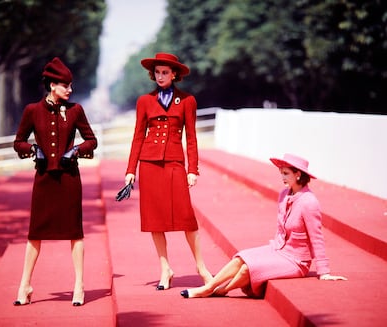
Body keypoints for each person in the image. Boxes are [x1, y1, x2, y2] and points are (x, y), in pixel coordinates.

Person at [180, 153, 347, 298]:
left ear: (298, 174)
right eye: (281, 173)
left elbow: (317, 237)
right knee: (241, 257)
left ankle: (219, 290)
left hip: (297, 262)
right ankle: (209, 287)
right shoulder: (284, 194)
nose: (282, 177)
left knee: (248, 268)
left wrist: (324, 271)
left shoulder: (309, 202)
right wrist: (273, 251)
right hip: (278, 249)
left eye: (286, 173)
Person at [13, 57, 97, 306]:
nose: (70, 90)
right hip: (44, 179)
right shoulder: (32, 111)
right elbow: (18, 141)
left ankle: (79, 284)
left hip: (69, 178)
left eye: (70, 85)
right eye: (65, 85)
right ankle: (25, 285)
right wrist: (32, 149)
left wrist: (77, 150)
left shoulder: (75, 110)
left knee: (75, 233)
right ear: (52, 85)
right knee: (35, 233)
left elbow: (92, 140)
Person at [124, 52, 212, 290]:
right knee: (155, 220)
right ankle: (165, 269)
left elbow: (191, 138)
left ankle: (201, 267)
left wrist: (192, 169)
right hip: (149, 164)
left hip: (174, 163)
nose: (160, 76)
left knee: (186, 217)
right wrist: (131, 169)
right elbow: (137, 136)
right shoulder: (144, 101)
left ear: (174, 74)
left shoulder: (187, 101)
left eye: (165, 72)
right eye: (157, 72)